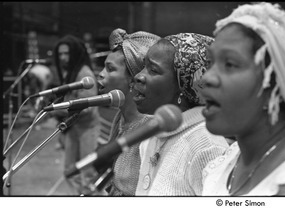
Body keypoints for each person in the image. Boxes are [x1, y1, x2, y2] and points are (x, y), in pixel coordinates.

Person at [200, 2, 285, 196]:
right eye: (210, 62)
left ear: (273, 85)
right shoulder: (226, 162)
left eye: (230, 64)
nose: (207, 77)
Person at [133, 33, 229, 195]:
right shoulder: (153, 133)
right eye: (144, 66)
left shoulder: (206, 145)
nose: (138, 76)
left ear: (183, 87)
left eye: (153, 70)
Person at [96, 28, 160, 195]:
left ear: (134, 79)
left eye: (110, 69)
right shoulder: (122, 116)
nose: (100, 75)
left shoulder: (149, 129)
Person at [51, 35, 101, 195]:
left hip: (88, 128)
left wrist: (57, 109)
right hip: (74, 127)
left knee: (87, 175)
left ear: (75, 53)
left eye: (66, 53)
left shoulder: (84, 73)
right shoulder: (71, 72)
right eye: (60, 54)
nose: (63, 58)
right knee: (70, 172)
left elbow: (88, 108)